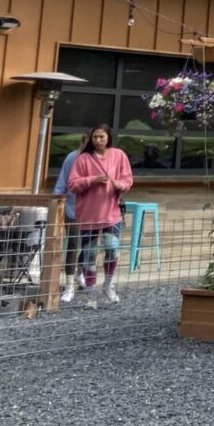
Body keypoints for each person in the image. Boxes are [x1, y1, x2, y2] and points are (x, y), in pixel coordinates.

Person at [67, 124, 133, 308]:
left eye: (101, 137)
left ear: (108, 138)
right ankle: (90, 294)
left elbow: (128, 179)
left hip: (111, 212)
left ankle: (108, 284)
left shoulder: (119, 155)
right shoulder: (83, 159)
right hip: (89, 214)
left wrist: (121, 185)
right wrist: (92, 180)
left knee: (112, 248)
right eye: (95, 137)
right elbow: (72, 184)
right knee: (89, 254)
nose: (98, 140)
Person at [51, 146, 83, 303]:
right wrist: (57, 199)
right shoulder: (72, 157)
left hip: (94, 210)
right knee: (73, 242)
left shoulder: (101, 159)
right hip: (72, 207)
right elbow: (62, 180)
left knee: (89, 244)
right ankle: (69, 286)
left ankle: (81, 271)